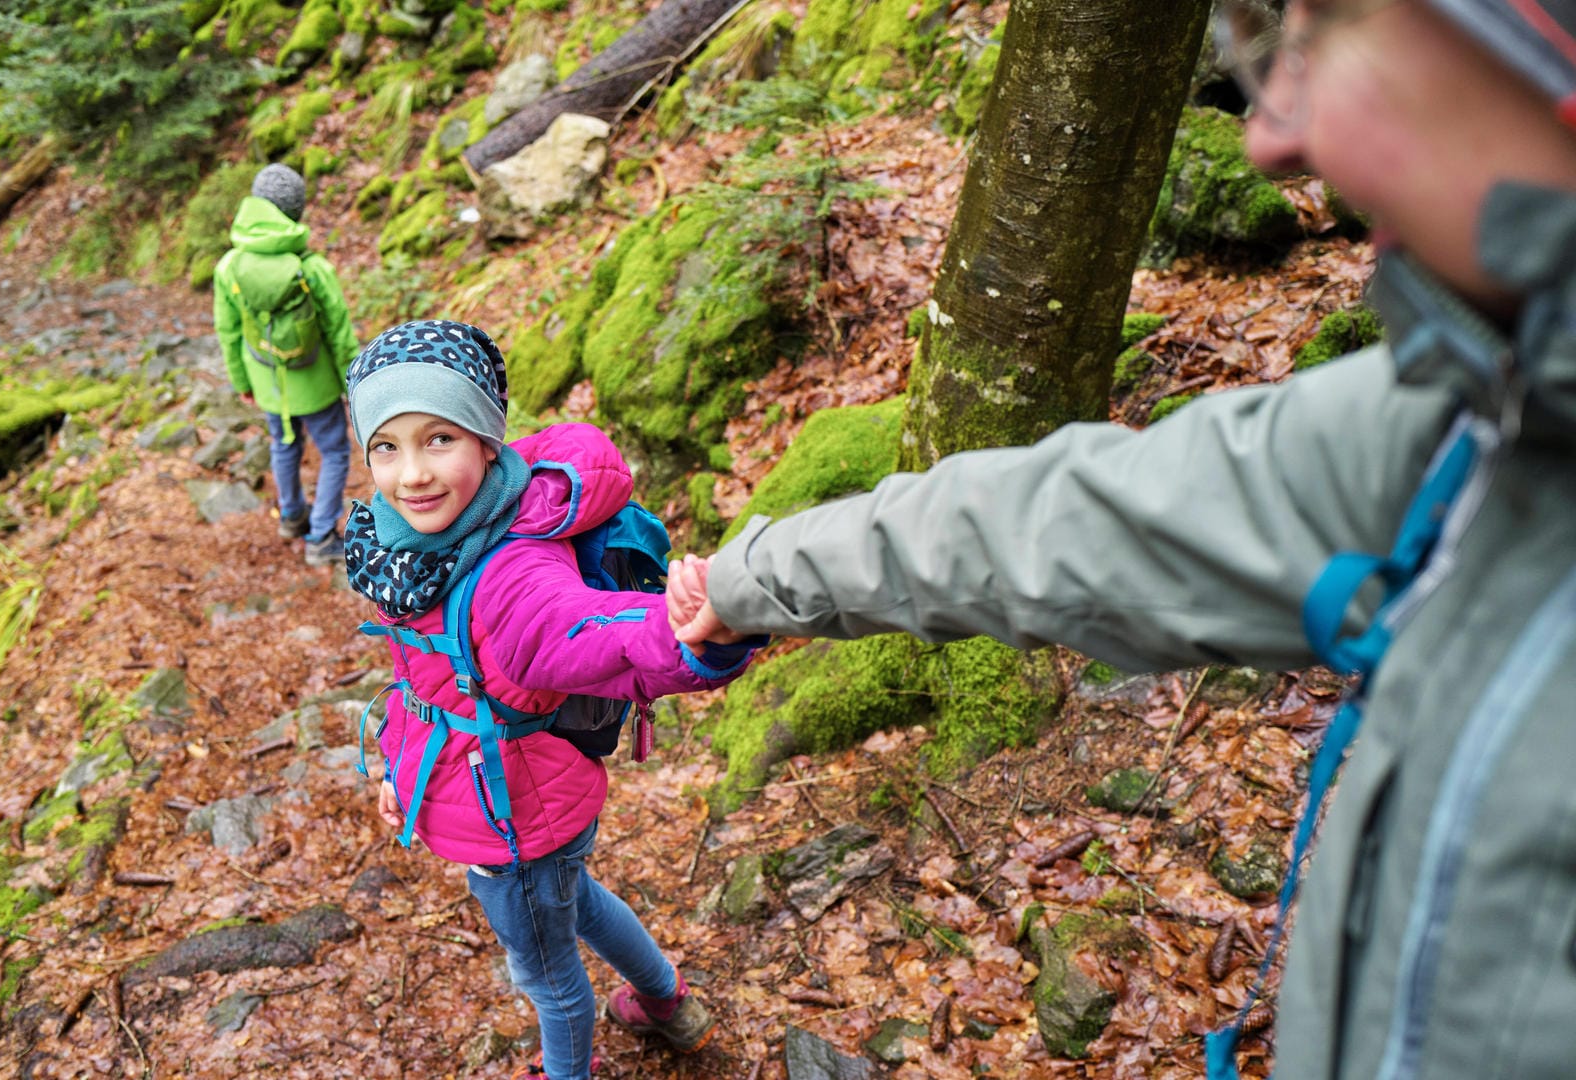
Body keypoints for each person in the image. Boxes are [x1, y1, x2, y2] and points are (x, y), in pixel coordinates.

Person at [667, 2, 1576, 1078]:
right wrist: (750, 576)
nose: (1270, 139)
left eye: (1329, 26)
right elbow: (1060, 520)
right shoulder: (1469, 439)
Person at [343, 320, 760, 1080]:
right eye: (387, 446)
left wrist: (694, 632)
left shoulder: (506, 576)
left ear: (487, 441)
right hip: (527, 795)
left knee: (546, 973)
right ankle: (668, 1003)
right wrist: (402, 776)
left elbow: (599, 636)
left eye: (440, 438)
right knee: (580, 901)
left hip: (517, 821)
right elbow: (432, 685)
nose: (411, 475)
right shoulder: (420, 547)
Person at [213, 163, 360, 565]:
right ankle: (322, 536)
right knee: (333, 452)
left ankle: (292, 516)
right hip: (315, 385)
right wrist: (354, 381)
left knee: (283, 444)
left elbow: (228, 332)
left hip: (267, 383)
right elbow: (339, 332)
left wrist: (241, 380)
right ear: (295, 212)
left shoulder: (229, 268)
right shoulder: (312, 268)